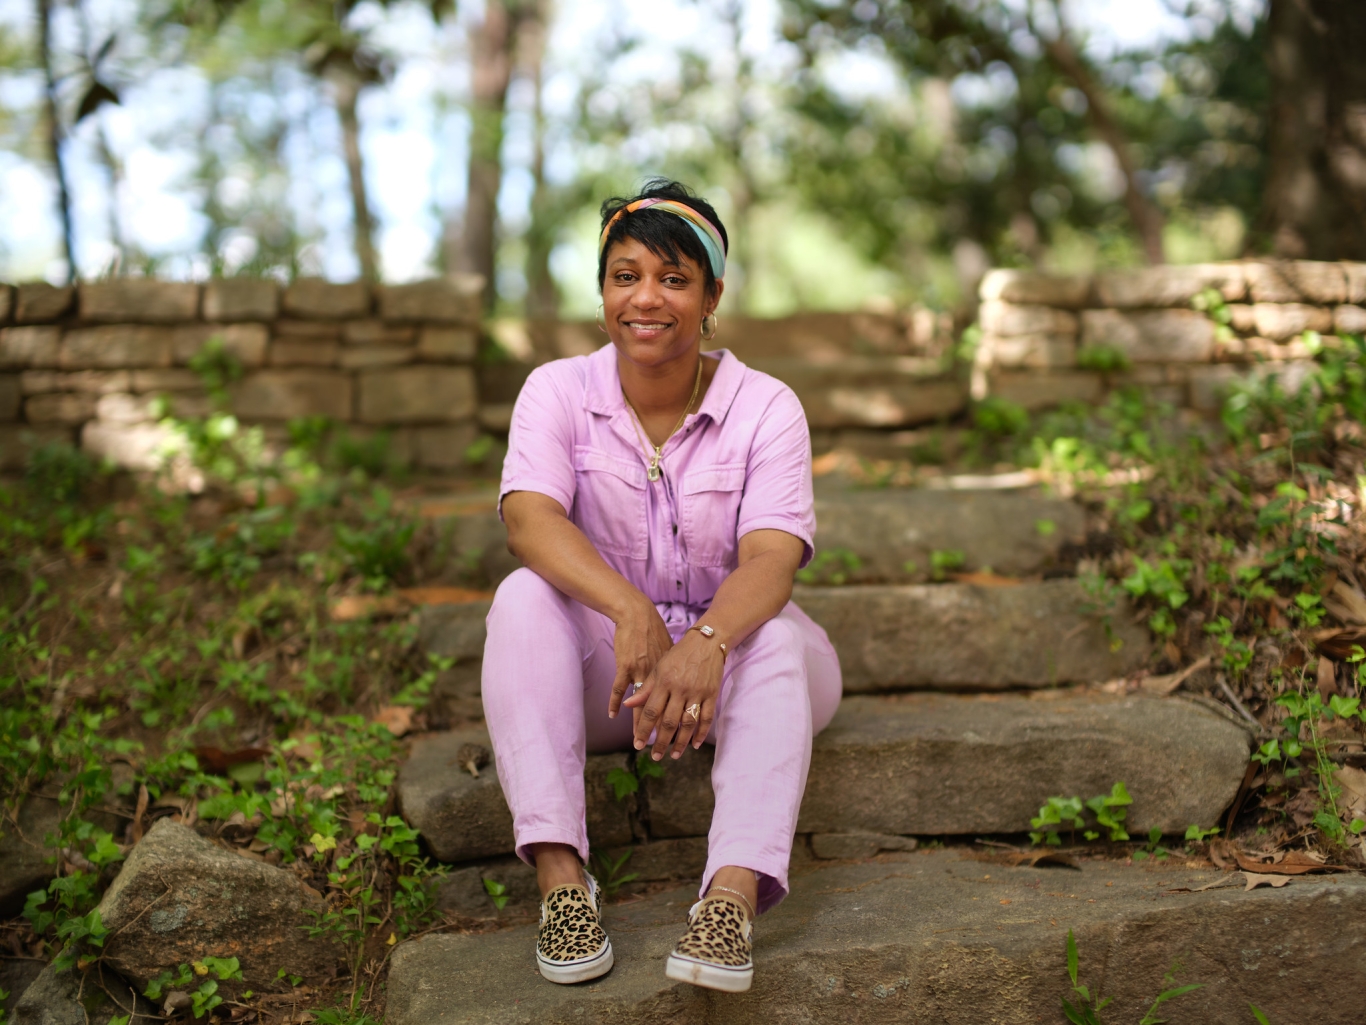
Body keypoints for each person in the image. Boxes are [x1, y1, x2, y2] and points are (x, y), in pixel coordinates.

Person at [482, 178, 842, 993]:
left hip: (739, 664)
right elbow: (530, 522)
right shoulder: (556, 391)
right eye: (626, 275)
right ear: (603, 289)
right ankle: (562, 882)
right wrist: (629, 607)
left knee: (775, 632)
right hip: (618, 677)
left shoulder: (767, 407)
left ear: (712, 295)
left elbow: (773, 560)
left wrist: (708, 640)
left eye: (674, 279)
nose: (647, 298)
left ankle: (731, 900)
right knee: (521, 597)